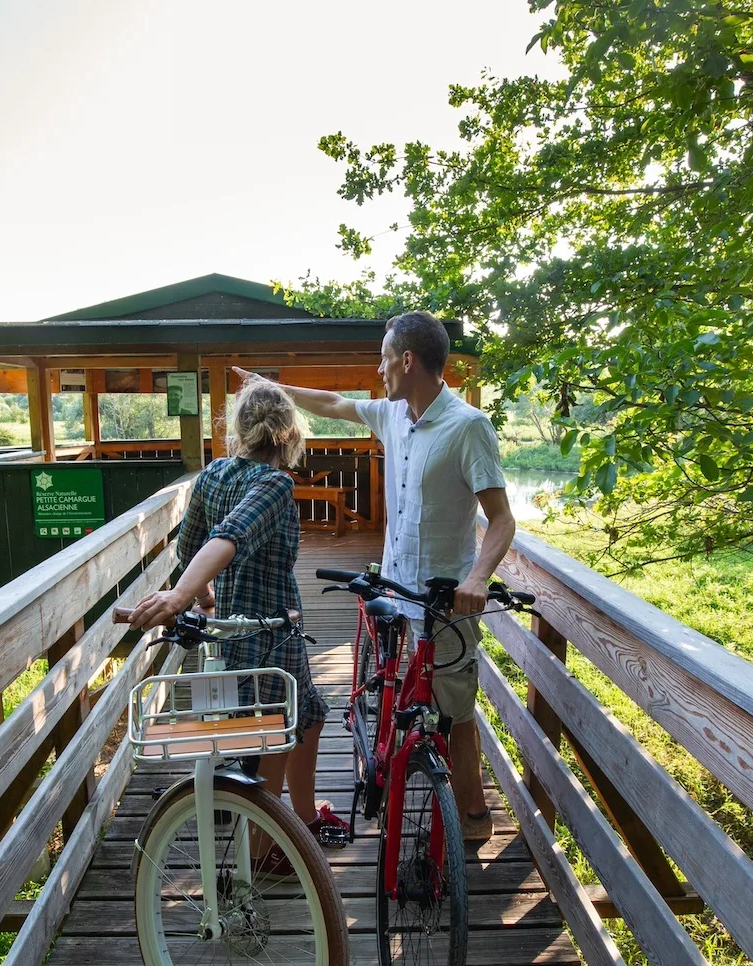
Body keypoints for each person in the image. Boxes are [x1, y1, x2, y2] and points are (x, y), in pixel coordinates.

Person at [234, 310, 517, 842]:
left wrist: (477, 579)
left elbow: (502, 519)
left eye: (384, 357)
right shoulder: (392, 414)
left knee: (454, 712)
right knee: (401, 689)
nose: (379, 367)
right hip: (395, 587)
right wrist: (274, 387)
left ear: (407, 360)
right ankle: (382, 757)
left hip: (444, 600)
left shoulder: (468, 427)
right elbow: (335, 404)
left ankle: (474, 816)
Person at [126, 380, 352, 852]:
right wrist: (183, 596)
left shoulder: (213, 475)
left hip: (232, 630)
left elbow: (190, 545)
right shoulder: (273, 484)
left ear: (240, 430)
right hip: (269, 631)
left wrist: (204, 599)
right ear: (290, 434)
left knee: (309, 715)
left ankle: (305, 819)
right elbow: (229, 535)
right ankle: (261, 850)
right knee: (276, 735)